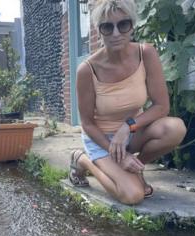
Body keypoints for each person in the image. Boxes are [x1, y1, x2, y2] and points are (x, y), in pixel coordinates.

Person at [69, 0, 187, 205]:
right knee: (133, 195)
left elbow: (162, 106)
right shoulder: (87, 70)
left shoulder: (146, 54)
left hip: (132, 133)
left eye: (123, 24)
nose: (116, 33)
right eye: (107, 26)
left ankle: (135, 169)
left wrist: (129, 125)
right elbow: (87, 123)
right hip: (102, 140)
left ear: (132, 25)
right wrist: (117, 153)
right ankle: (85, 160)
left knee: (175, 128)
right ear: (99, 30)